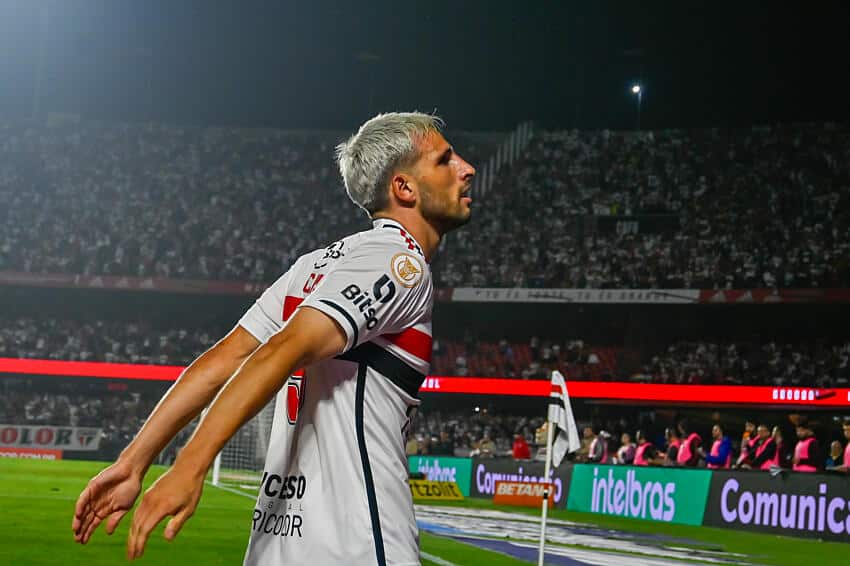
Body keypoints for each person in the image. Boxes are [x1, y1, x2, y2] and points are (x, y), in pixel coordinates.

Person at [71, 112, 476, 565]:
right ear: (404, 188)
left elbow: (219, 362)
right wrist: (189, 466)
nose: (466, 168)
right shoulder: (400, 262)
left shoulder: (313, 265)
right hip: (355, 543)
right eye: (445, 160)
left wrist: (133, 463)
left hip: (276, 543)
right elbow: (283, 351)